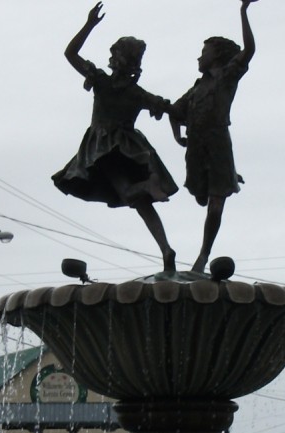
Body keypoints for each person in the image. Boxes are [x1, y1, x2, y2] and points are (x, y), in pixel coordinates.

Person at [53, 2, 180, 272]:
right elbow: (170, 109)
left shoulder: (101, 81)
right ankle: (166, 249)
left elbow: (70, 53)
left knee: (131, 194)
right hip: (130, 148)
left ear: (116, 58)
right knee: (139, 203)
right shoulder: (137, 93)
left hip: (104, 148)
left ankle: (148, 186)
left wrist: (89, 24)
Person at [170, 0, 257, 274]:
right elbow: (175, 110)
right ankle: (226, 178)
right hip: (195, 147)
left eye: (203, 52)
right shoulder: (197, 88)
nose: (198, 57)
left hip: (218, 143)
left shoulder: (227, 76)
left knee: (216, 204)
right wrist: (177, 135)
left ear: (216, 57)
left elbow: (249, 50)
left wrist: (243, 11)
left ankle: (203, 255)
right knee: (200, 195)